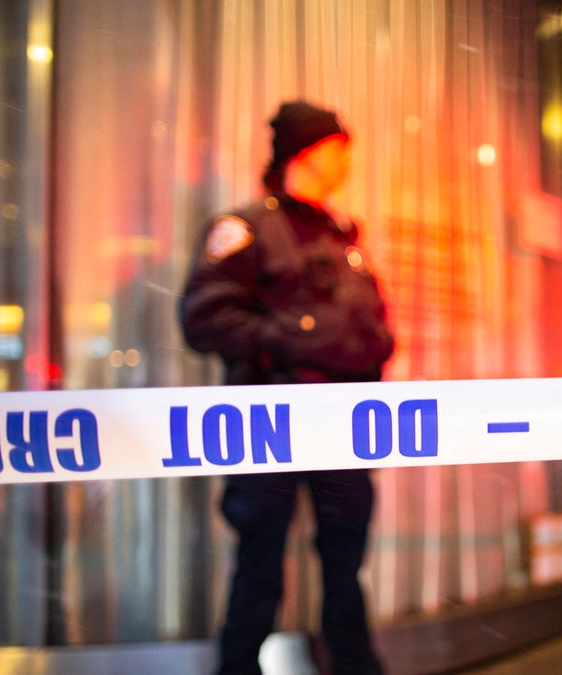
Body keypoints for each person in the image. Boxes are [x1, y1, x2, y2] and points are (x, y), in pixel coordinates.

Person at [180, 101, 393, 674]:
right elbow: (205, 322)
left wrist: (367, 345)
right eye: (335, 147)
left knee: (346, 565)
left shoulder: (342, 234)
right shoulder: (246, 229)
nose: (346, 159)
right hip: (270, 423)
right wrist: (299, 340)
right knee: (259, 566)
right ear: (305, 152)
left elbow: (369, 323)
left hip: (343, 425)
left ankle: (355, 667)